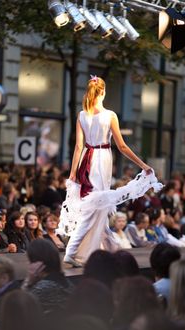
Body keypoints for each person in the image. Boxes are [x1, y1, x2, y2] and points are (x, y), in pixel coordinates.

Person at [60, 76, 162, 267]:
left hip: (87, 161)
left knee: (100, 207)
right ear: (103, 92)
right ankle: (72, 251)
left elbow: (78, 146)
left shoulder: (82, 115)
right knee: (95, 208)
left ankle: (110, 247)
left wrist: (73, 172)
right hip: (101, 161)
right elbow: (122, 147)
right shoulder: (110, 115)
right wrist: (143, 165)